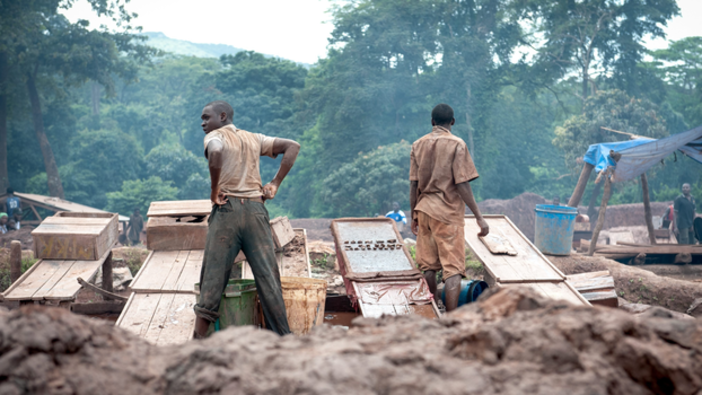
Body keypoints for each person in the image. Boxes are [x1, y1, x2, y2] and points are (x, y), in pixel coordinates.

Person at [194, 100, 300, 338]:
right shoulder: (254, 138)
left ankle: (196, 343)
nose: (202, 123)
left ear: (222, 117)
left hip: (227, 211)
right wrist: (275, 183)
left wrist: (213, 191)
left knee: (212, 279)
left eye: (205, 118)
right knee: (268, 279)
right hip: (255, 211)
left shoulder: (215, 137)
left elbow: (216, 153)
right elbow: (293, 146)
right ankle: (285, 341)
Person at [410, 103, 489, 312]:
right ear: (452, 122)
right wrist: (479, 216)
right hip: (447, 213)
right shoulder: (457, 144)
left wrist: (413, 215)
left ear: (432, 121)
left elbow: (414, 184)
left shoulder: (417, 145)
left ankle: (433, 312)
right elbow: (462, 183)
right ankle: (452, 320)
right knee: (453, 271)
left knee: (428, 267)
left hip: (424, 210)